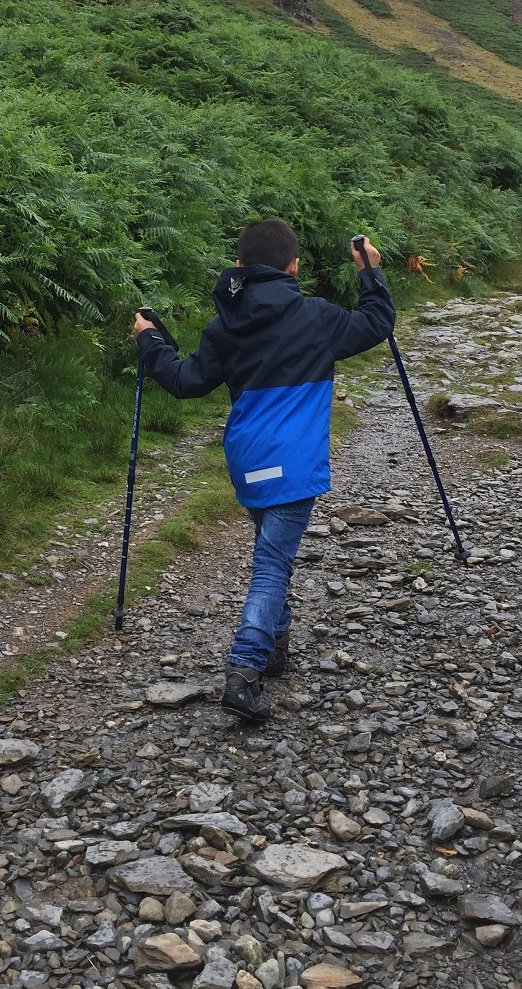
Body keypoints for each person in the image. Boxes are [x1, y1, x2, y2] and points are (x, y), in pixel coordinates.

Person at [133, 218, 395, 723]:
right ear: (293, 267)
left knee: (270, 549)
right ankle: (244, 668)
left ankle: (275, 646)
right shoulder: (316, 318)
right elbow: (377, 322)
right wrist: (369, 272)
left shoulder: (224, 327)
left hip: (247, 458)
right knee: (272, 564)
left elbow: (186, 381)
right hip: (294, 464)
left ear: (239, 267)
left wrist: (150, 342)